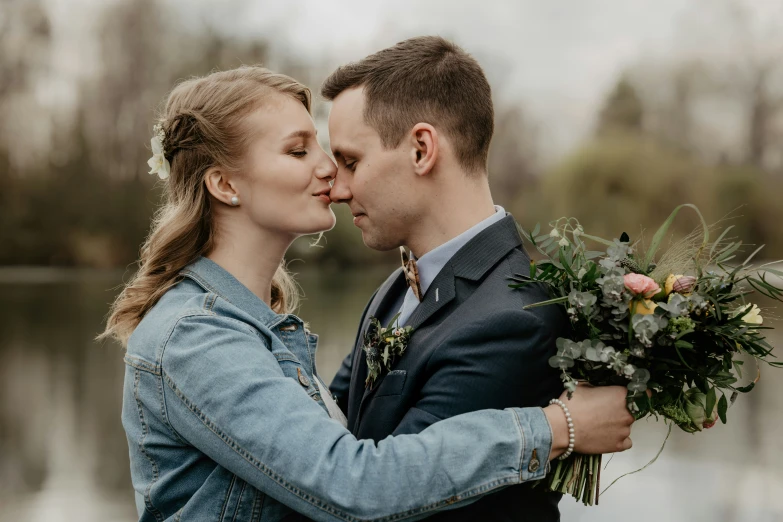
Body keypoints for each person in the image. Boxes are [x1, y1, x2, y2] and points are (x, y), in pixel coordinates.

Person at [100, 65, 635, 522]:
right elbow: (351, 480)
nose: (329, 171)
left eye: (334, 153)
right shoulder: (196, 333)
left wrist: (632, 333)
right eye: (298, 150)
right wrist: (554, 428)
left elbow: (336, 436)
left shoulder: (263, 322)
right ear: (225, 185)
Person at [323, 36, 572, 520]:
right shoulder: (395, 289)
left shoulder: (516, 315)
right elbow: (325, 444)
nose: (336, 187)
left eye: (351, 162)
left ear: (421, 149)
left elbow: (374, 501)